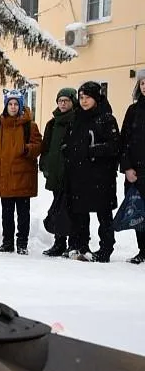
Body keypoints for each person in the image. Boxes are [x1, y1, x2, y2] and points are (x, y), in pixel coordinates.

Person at [62, 81, 119, 263]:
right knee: (80, 212)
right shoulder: (77, 117)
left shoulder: (106, 118)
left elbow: (114, 145)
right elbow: (68, 142)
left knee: (104, 214)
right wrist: (67, 150)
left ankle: (106, 248)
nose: (84, 101)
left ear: (96, 98)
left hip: (101, 176)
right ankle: (81, 245)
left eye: (88, 97)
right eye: (81, 97)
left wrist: (93, 151)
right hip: (79, 174)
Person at [0, 89, 42, 255]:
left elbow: (38, 145)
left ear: (21, 105)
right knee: (7, 213)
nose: (12, 107)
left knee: (23, 214)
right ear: (5, 106)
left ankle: (22, 243)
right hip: (4, 175)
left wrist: (26, 149)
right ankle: (7, 242)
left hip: (23, 175)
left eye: (15, 104)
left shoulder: (29, 126)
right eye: (9, 104)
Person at [40, 88, 80, 257]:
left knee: (74, 209)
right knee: (58, 209)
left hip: (72, 175)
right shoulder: (52, 123)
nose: (63, 104)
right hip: (55, 173)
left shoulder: (78, 120)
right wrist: (45, 166)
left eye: (66, 101)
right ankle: (59, 242)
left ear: (73, 102)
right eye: (60, 101)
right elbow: (46, 147)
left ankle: (75, 243)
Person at [119, 69, 145, 264]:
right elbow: (124, 142)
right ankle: (142, 250)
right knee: (137, 212)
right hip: (136, 172)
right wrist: (127, 168)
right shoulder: (133, 110)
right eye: (142, 83)